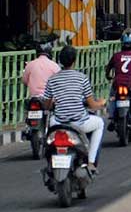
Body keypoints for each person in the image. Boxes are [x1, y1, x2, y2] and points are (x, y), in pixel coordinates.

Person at [42, 45, 105, 173]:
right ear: (74, 60)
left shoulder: (52, 79)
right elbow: (92, 105)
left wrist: (54, 103)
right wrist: (101, 103)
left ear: (60, 61)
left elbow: (46, 106)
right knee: (99, 123)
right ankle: (91, 162)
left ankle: (49, 162)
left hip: (59, 123)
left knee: (50, 125)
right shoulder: (82, 78)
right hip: (79, 123)